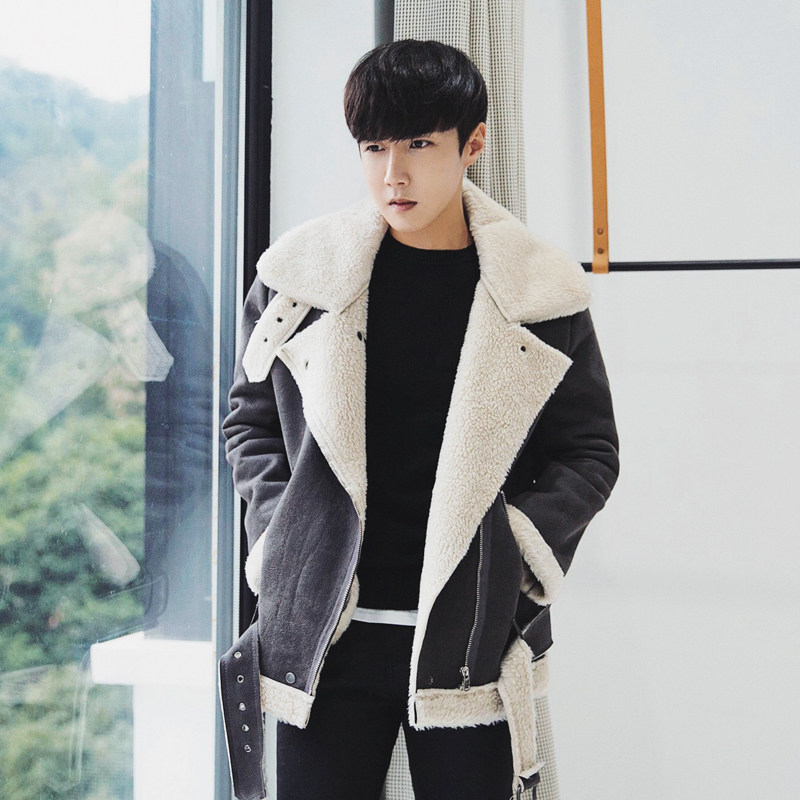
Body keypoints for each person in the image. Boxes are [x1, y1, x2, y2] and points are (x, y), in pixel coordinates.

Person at [219, 39, 619, 800]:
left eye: (419, 145)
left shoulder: (539, 293)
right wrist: (283, 536)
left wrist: (513, 555)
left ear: (473, 144)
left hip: (469, 638)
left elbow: (589, 451)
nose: (392, 174)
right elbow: (250, 422)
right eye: (373, 148)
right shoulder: (299, 279)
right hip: (327, 637)